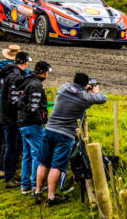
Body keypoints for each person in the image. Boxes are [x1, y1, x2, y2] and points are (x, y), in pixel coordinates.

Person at [35, 72, 107, 207]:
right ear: (85, 84)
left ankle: (38, 192)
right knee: (56, 165)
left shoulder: (64, 88)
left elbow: (75, 90)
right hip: (65, 134)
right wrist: (95, 90)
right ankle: (51, 196)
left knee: (44, 162)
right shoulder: (85, 97)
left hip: (49, 129)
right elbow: (103, 98)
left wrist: (84, 89)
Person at [18, 61, 51, 195]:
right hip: (32, 124)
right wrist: (41, 120)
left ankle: (25, 185)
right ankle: (36, 185)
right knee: (38, 154)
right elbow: (33, 107)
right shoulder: (36, 85)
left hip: (22, 123)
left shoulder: (26, 80)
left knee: (27, 155)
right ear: (44, 72)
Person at [1, 50, 31, 188]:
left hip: (10, 116)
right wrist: (24, 106)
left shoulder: (12, 73)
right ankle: (8, 177)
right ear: (24, 62)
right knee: (11, 147)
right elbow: (14, 99)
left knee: (15, 146)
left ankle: (11, 173)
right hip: (11, 118)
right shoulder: (15, 76)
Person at [0, 44, 19, 178]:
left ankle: (2, 163)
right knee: (7, 141)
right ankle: (3, 168)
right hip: (7, 108)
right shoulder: (16, 71)